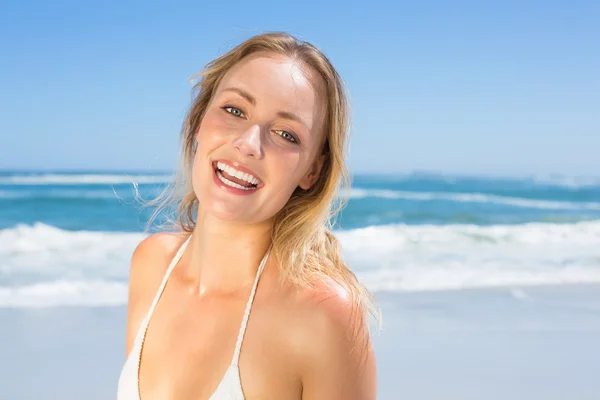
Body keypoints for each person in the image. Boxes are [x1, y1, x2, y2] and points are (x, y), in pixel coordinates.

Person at [117, 32, 379, 400]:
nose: (248, 144)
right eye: (235, 110)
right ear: (197, 121)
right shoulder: (151, 265)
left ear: (312, 172)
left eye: (286, 134)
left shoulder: (322, 315)